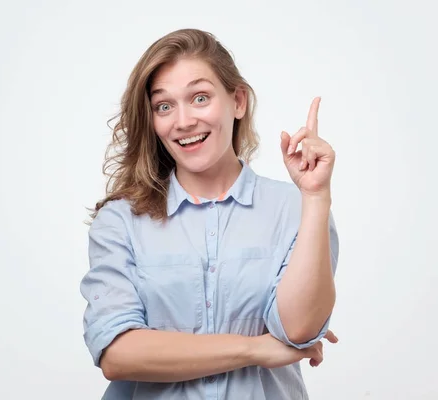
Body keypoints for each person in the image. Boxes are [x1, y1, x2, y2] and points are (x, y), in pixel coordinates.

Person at [79, 28, 340, 400]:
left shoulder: (296, 208)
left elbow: (298, 329)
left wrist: (315, 197)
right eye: (164, 106)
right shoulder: (121, 220)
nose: (182, 121)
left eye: (199, 98)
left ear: (237, 101)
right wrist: (256, 349)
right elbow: (117, 354)